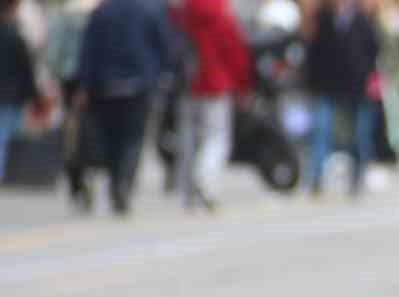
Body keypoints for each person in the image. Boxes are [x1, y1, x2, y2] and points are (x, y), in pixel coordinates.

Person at [75, 0, 170, 215]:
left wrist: (85, 84)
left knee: (111, 138)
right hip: (138, 84)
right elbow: (164, 47)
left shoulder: (101, 12)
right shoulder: (149, 11)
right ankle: (123, 184)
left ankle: (116, 183)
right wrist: (159, 74)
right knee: (132, 140)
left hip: (105, 85)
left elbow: (88, 50)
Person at [175, 0, 251, 210]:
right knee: (216, 137)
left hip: (189, 83)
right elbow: (235, 52)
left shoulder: (183, 14)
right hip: (216, 83)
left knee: (189, 138)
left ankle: (188, 188)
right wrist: (242, 84)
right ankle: (207, 183)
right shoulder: (222, 17)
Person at [302, 0, 379, 197]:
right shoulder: (323, 18)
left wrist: (368, 78)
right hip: (327, 85)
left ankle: (357, 175)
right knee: (321, 131)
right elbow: (313, 52)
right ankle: (316, 178)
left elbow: (372, 51)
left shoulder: (360, 19)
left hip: (356, 86)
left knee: (358, 134)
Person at [44, 0, 94, 209]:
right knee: (86, 129)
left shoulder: (62, 15)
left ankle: (77, 175)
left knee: (72, 130)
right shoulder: (97, 13)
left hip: (68, 79)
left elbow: (53, 53)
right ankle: (82, 173)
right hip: (92, 81)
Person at [0, 0, 40, 182]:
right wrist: (34, 96)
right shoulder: (16, 37)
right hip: (10, 95)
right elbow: (26, 70)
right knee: (4, 135)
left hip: (10, 94)